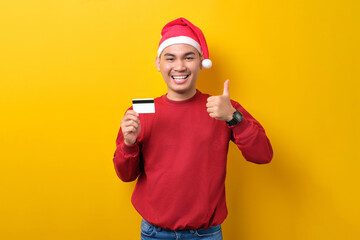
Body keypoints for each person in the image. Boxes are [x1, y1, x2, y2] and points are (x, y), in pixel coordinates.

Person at [113, 17, 273, 240]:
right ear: (159, 63)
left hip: (205, 234)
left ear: (201, 61)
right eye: (171, 58)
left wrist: (234, 118)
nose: (179, 66)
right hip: (153, 233)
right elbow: (126, 175)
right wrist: (128, 144)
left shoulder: (223, 108)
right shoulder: (142, 109)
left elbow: (263, 155)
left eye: (188, 57)